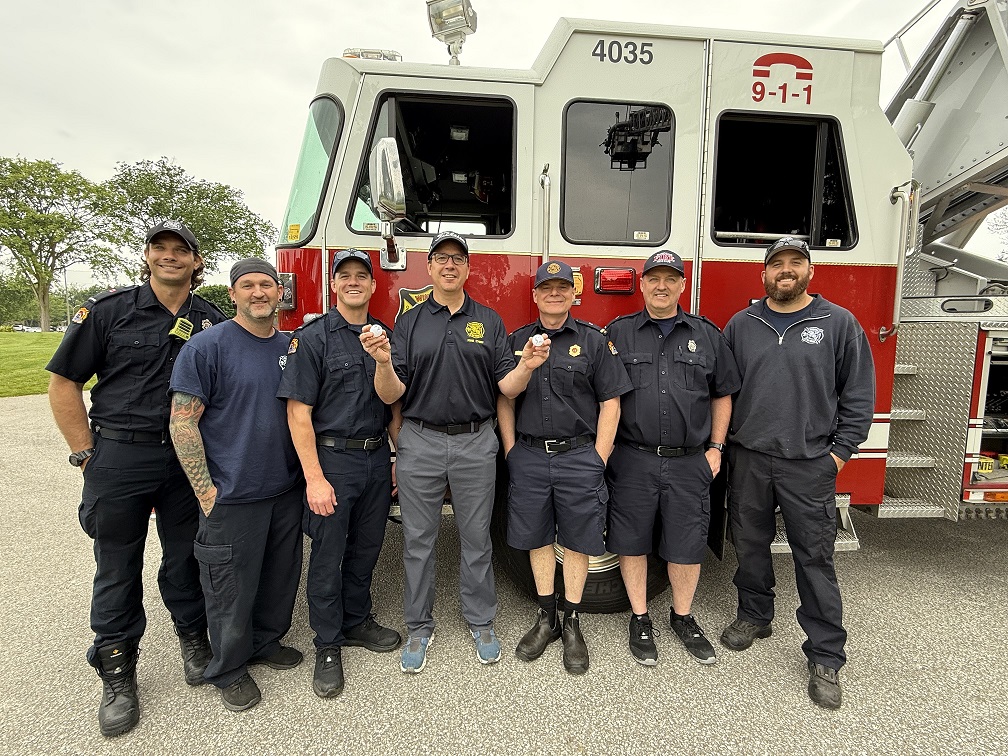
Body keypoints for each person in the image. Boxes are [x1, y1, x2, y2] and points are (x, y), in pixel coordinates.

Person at [46, 220, 226, 737]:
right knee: (117, 565)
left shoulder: (209, 319)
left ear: (196, 261)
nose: (169, 257)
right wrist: (85, 453)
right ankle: (119, 671)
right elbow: (64, 384)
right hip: (121, 456)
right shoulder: (108, 311)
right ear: (146, 257)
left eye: (181, 251)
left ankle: (193, 639)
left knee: (186, 557)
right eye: (159, 248)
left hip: (185, 461)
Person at [361, 230, 548, 674]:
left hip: (475, 441)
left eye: (458, 259)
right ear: (429, 267)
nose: (450, 265)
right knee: (418, 541)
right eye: (441, 258)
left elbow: (506, 386)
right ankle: (418, 627)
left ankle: (482, 622)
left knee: (477, 539)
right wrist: (383, 362)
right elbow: (393, 394)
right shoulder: (408, 322)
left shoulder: (490, 319)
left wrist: (526, 365)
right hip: (420, 441)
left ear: (468, 268)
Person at [721, 236, 875, 710]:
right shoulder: (741, 325)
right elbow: (724, 390)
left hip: (809, 464)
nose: (785, 271)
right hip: (748, 457)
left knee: (814, 557)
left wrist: (839, 454)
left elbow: (858, 394)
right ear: (763, 274)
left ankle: (825, 652)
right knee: (747, 542)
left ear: (810, 271)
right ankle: (755, 614)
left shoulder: (838, 323)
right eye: (776, 265)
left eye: (795, 263)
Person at [168, 258, 305, 712]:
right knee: (229, 588)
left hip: (284, 490)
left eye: (267, 284)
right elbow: (183, 424)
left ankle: (265, 642)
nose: (259, 292)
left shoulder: (291, 346)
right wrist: (206, 491)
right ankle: (228, 667)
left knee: (279, 578)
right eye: (248, 285)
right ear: (233, 294)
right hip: (232, 494)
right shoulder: (209, 346)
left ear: (279, 291)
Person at [277, 248, 403, 698]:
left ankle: (356, 621)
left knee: (368, 548)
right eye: (344, 275)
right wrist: (313, 477)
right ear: (334, 285)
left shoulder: (385, 338)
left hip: (374, 459)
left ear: (373, 286)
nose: (353, 282)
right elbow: (298, 412)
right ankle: (327, 644)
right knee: (328, 556)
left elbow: (393, 408)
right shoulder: (312, 339)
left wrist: (396, 460)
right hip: (332, 462)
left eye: (361, 277)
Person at [605, 249, 740, 667]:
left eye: (671, 278)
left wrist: (716, 449)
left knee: (686, 544)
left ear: (683, 285)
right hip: (633, 457)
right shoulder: (618, 333)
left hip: (689, 461)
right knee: (632, 541)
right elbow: (603, 395)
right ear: (642, 284)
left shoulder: (708, 334)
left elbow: (723, 393)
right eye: (654, 278)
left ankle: (682, 617)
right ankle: (640, 617)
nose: (661, 286)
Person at [498, 260, 631, 675]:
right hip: (531, 456)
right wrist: (510, 450)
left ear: (574, 294)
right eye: (546, 288)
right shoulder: (517, 341)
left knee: (576, 541)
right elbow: (505, 398)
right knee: (538, 539)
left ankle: (572, 620)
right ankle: (546, 618)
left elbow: (611, 401)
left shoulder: (594, 342)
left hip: (579, 457)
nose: (554, 294)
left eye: (562, 288)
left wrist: (599, 457)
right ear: (534, 295)